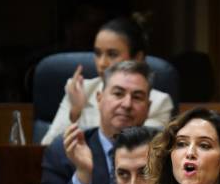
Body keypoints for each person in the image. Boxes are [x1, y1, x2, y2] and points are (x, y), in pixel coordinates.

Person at [39, 60, 152, 184]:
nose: (127, 104)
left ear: (148, 107)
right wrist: (83, 175)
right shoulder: (65, 149)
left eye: (137, 97)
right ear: (99, 99)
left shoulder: (162, 152)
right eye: (118, 94)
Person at [39, 16, 173, 145]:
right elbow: (47, 147)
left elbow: (144, 153)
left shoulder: (159, 102)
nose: (102, 63)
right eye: (97, 54)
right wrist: (75, 112)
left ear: (137, 58)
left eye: (112, 54)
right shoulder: (80, 90)